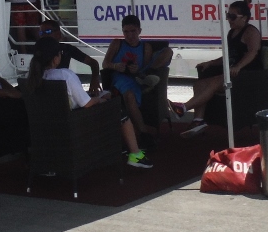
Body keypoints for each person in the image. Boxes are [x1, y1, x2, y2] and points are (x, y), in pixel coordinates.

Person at [27, 37, 151, 168]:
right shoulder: (65, 75)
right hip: (76, 124)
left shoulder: (31, 78)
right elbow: (86, 104)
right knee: (118, 110)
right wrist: (99, 99)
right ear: (55, 58)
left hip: (49, 127)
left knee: (106, 96)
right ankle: (135, 154)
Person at [170, 0, 263, 136]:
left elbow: (253, 52)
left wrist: (238, 66)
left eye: (232, 17)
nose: (229, 20)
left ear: (244, 18)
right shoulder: (232, 33)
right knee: (199, 84)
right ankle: (198, 120)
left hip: (247, 75)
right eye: (227, 15)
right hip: (231, 73)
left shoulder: (250, 32)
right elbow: (228, 56)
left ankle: (184, 108)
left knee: (216, 82)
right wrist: (211, 63)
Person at [102, 15, 173, 140]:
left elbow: (145, 66)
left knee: (168, 52)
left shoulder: (145, 47)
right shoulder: (117, 43)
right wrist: (115, 66)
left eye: (133, 31)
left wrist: (138, 71)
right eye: (126, 32)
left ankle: (145, 82)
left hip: (138, 76)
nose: (130, 35)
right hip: (121, 78)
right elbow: (105, 63)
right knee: (129, 95)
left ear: (139, 31)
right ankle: (143, 133)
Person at [36, 19, 102, 94]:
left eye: (48, 32)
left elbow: (93, 63)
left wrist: (94, 80)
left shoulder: (66, 49)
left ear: (58, 34)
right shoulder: (38, 51)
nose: (44, 35)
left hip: (61, 91)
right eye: (41, 33)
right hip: (47, 91)